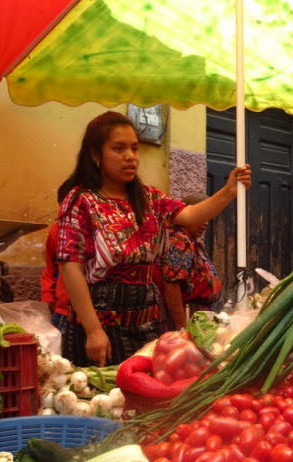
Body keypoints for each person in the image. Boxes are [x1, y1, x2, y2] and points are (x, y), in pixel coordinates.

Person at [56, 111, 251, 367]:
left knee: (148, 392)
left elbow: (191, 214)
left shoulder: (150, 198)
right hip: (101, 327)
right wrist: (93, 330)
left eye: (134, 149)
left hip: (147, 324)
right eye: (119, 148)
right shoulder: (80, 201)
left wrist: (228, 191)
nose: (130, 156)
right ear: (95, 155)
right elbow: (71, 268)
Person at [161, 193, 222, 330]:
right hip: (188, 314)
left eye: (208, 217)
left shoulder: (190, 241)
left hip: (197, 313)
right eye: (201, 217)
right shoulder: (179, 242)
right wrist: (181, 324)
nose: (206, 223)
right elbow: (171, 285)